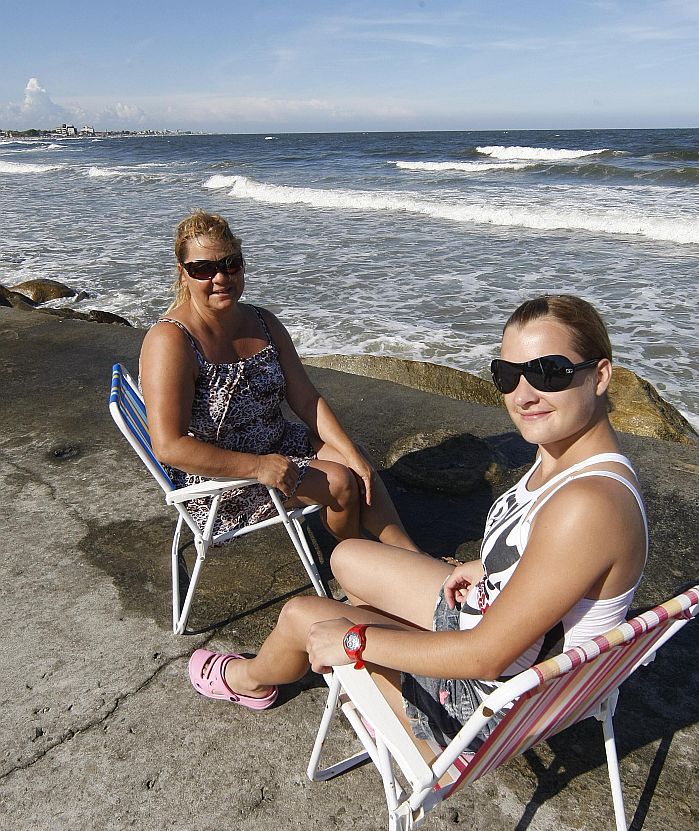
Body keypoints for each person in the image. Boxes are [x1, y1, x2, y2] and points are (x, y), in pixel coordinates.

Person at [188, 294, 649, 759]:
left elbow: (485, 656)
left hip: (481, 706)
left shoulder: (588, 505)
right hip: (489, 624)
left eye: (549, 372)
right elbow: (552, 557)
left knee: (303, 619)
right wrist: (491, 565)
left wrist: (354, 639)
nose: (524, 395)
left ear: (601, 375)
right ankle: (380, 671)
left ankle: (247, 681)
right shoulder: (567, 458)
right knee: (347, 557)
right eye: (508, 376)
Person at [139, 210, 418, 550]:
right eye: (203, 269)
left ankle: (412, 556)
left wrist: (351, 452)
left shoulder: (263, 321)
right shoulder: (171, 341)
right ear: (183, 274)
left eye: (231, 264)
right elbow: (168, 446)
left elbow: (306, 399)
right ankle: (365, 571)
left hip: (277, 444)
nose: (220, 277)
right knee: (342, 482)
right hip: (223, 478)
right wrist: (257, 466)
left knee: (354, 462)